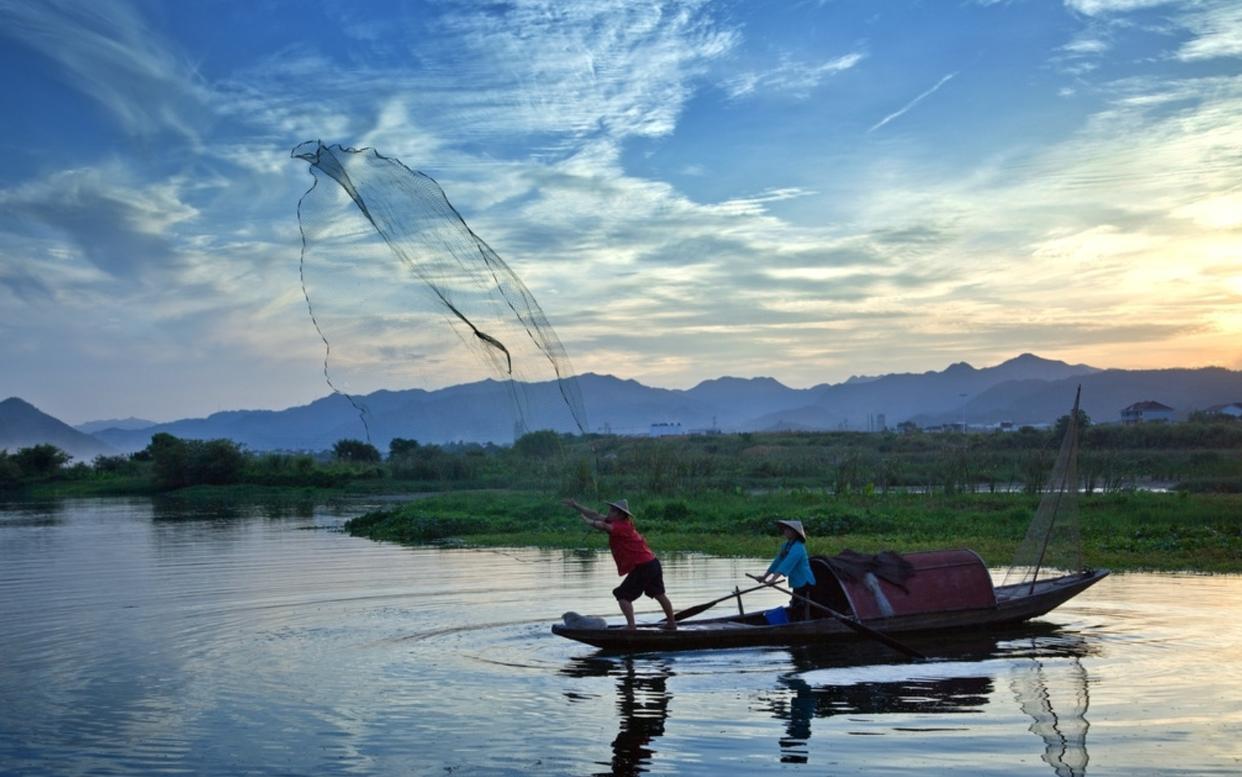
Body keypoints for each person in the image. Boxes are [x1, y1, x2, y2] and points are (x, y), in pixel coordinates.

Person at [564, 497, 676, 630]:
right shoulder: (617, 522)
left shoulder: (621, 526)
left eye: (612, 511)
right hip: (652, 563)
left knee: (622, 595)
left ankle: (631, 627)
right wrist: (576, 506)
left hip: (644, 566)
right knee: (658, 593)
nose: (609, 513)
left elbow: (603, 526)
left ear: (620, 515)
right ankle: (671, 623)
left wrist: (589, 522)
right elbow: (595, 514)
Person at [757, 519, 816, 621]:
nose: (785, 532)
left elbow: (786, 564)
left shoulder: (798, 548)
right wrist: (765, 576)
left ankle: (802, 624)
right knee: (796, 605)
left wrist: (773, 579)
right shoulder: (786, 546)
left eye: (787, 530)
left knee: (801, 606)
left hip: (805, 581)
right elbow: (778, 562)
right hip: (796, 582)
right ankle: (797, 621)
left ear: (794, 533)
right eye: (784, 530)